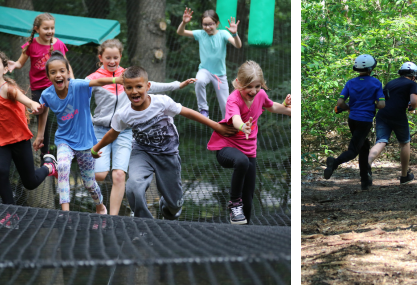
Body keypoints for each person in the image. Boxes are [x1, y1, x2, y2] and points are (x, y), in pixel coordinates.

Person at [91, 66, 237, 220]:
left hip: (167, 154)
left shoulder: (161, 102)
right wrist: (96, 148)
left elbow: (188, 112)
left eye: (138, 86)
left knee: (174, 206)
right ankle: (144, 223)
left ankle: (167, 206)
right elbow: (113, 133)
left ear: (148, 86)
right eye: (129, 87)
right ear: (124, 88)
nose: (134, 91)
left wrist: (216, 126)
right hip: (142, 153)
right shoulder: (123, 114)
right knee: (133, 186)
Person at [86, 39, 198, 216]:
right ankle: (102, 206)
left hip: (124, 132)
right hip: (101, 130)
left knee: (119, 176)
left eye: (116, 57)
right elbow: (80, 93)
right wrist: (89, 119)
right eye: (108, 57)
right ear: (101, 58)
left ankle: (113, 217)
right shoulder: (94, 79)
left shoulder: (128, 76)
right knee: (100, 175)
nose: (112, 61)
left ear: (121, 56)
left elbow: (150, 85)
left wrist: (177, 85)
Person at [207, 61, 292, 224]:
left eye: (257, 86)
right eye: (249, 87)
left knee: (248, 197)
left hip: (249, 151)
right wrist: (242, 126)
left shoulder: (260, 95)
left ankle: (243, 231)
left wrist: (288, 109)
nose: (253, 91)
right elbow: (235, 119)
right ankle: (233, 203)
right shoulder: (234, 99)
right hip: (227, 148)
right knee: (241, 161)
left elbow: (271, 106)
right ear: (238, 83)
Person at [0, 49, 59, 228]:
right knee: (0, 172)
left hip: (18, 139)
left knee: (30, 182)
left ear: (5, 68)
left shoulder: (8, 89)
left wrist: (35, 106)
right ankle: (11, 214)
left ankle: (49, 167)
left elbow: (27, 101)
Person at [34, 51, 117, 214]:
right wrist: (40, 135)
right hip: (64, 140)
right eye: (53, 72)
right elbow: (43, 111)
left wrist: (117, 79)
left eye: (61, 71)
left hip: (85, 143)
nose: (58, 75)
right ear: (48, 76)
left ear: (67, 72)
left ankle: (100, 206)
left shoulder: (78, 86)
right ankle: (65, 212)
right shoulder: (47, 94)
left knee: (89, 183)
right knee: (63, 166)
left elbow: (98, 81)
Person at [7, 13, 75, 164]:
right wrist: (13, 64)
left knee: (66, 113)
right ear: (37, 29)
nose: (50, 31)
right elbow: (20, 63)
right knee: (41, 115)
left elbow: (65, 65)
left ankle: (71, 147)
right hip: (39, 87)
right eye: (46, 28)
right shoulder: (31, 45)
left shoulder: (58, 44)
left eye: (52, 28)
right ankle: (46, 154)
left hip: (56, 84)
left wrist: (72, 80)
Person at [323, 54, 385, 190]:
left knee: (364, 146)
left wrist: (350, 108)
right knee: (354, 149)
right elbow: (381, 105)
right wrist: (371, 105)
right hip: (365, 120)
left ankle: (365, 180)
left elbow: (340, 103)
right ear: (371, 69)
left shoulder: (350, 83)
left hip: (353, 119)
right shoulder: (376, 83)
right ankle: (335, 163)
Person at [176, 8, 243, 119]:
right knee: (199, 81)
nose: (207, 27)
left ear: (217, 23)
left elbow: (238, 45)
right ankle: (203, 109)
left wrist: (235, 34)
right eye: (204, 24)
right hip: (205, 70)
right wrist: (184, 22)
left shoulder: (223, 34)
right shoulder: (200, 34)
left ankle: (227, 125)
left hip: (220, 75)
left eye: (210, 24)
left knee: (226, 106)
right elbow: (180, 32)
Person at [367, 62, 417, 186]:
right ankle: (404, 175)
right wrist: (413, 106)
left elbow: (386, 99)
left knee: (381, 141)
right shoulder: (412, 83)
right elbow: (413, 101)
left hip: (382, 114)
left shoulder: (391, 83)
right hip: (398, 115)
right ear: (413, 75)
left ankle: (366, 164)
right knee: (404, 143)